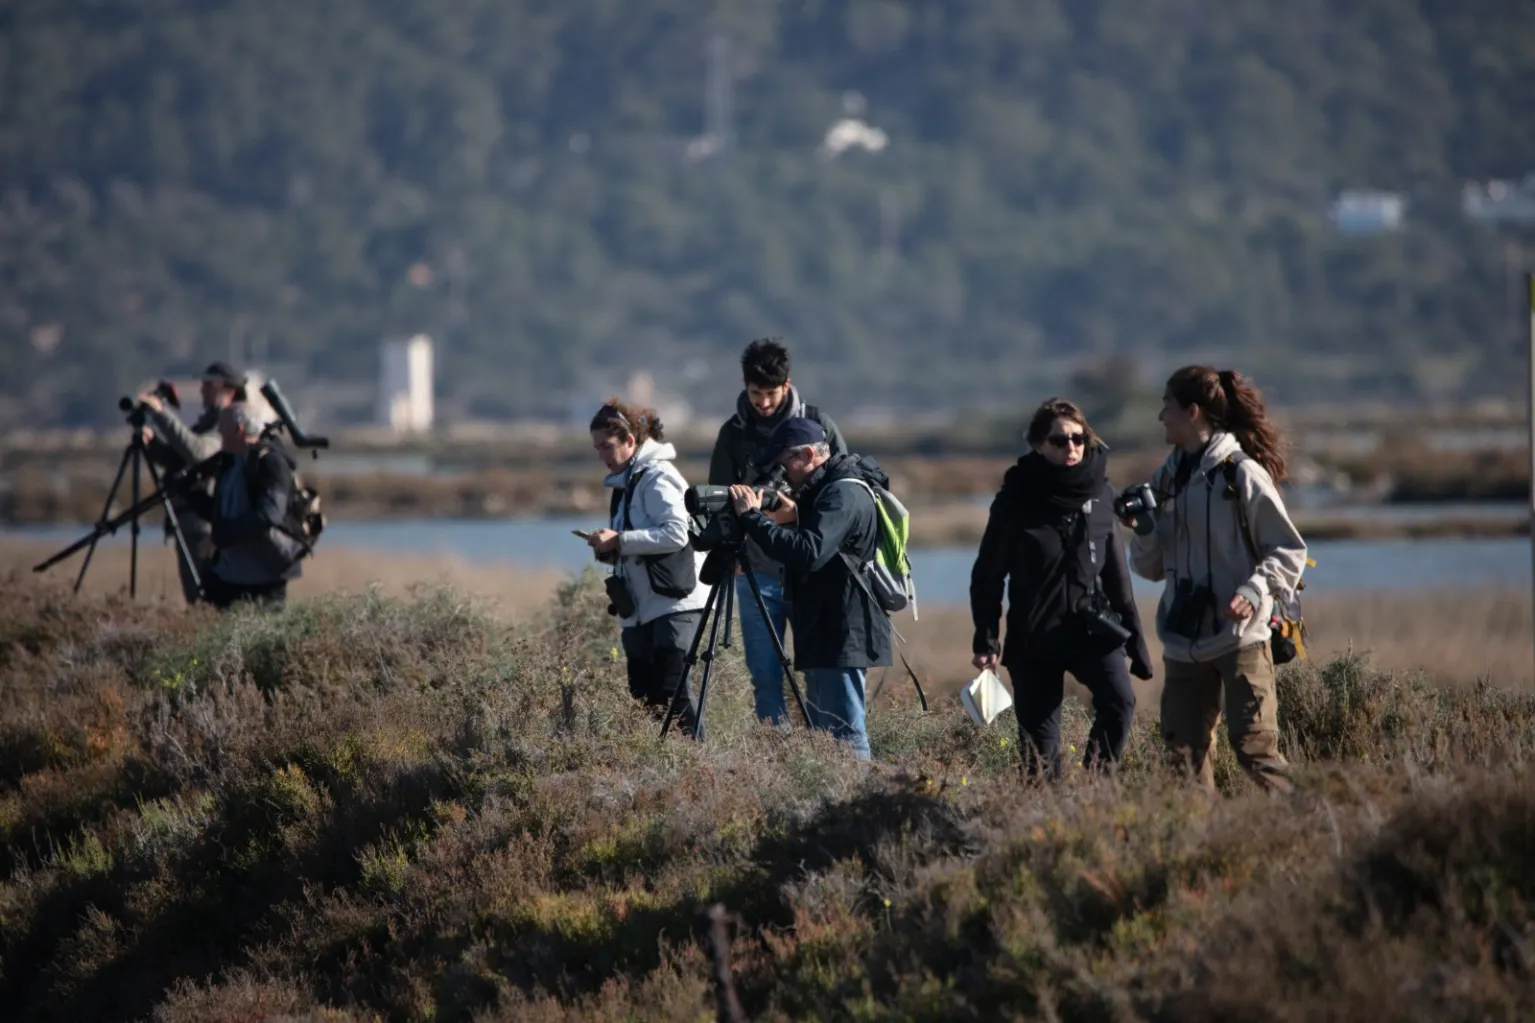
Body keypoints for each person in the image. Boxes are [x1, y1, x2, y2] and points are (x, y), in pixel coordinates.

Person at [1126, 366, 1308, 795]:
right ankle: (1197, 851)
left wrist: (1253, 589)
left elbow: (1288, 550)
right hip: (1183, 643)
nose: (1160, 417)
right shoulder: (1166, 479)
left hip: (1241, 639)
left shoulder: (1240, 474)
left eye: (1166, 407)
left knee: (1256, 752)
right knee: (1183, 765)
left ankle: (1319, 822)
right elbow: (1149, 568)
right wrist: (1144, 528)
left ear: (1192, 412)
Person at [970, 398, 1154, 779]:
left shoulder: (1102, 493)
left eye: (1078, 438)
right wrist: (986, 639)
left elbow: (1117, 578)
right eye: (1059, 440)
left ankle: (1094, 790)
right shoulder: (1015, 499)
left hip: (1092, 628)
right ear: (1038, 444)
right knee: (1039, 759)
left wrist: (1136, 643)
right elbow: (988, 575)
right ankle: (1044, 821)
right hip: (1034, 636)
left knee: (1120, 702)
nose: (1071, 447)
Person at [730, 417, 891, 760]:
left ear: (806, 454)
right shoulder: (826, 491)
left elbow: (809, 552)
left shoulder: (843, 492)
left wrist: (752, 518)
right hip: (826, 629)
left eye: (784, 462)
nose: (781, 472)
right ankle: (833, 809)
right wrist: (799, 513)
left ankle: (855, 808)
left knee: (846, 736)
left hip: (842, 632)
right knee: (825, 737)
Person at [708, 338, 848, 725]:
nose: (763, 403)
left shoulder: (819, 425)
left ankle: (824, 755)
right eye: (755, 394)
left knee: (820, 673)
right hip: (755, 573)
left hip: (810, 572)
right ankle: (775, 760)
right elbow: (719, 499)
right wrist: (732, 552)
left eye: (771, 394)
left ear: (787, 385)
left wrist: (796, 514)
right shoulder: (732, 434)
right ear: (744, 387)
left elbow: (845, 489)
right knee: (765, 677)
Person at [586, 399, 708, 735]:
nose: (602, 455)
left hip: (675, 603)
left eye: (607, 446)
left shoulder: (657, 476)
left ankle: (702, 770)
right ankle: (662, 773)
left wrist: (620, 540)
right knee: (644, 698)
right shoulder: (626, 483)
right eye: (597, 448)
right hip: (641, 608)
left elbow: (676, 533)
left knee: (673, 693)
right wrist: (608, 548)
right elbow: (638, 541)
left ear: (630, 440)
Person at [138, 361, 245, 603]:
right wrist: (152, 443)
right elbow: (179, 460)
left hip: (204, 524)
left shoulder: (229, 424)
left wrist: (160, 413)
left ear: (226, 389)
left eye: (208, 385)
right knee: (195, 596)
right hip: (189, 520)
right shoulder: (208, 423)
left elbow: (197, 451)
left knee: (204, 598)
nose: (202, 390)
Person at [187, 403, 303, 610]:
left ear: (239, 430)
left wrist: (226, 535)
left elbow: (270, 514)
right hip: (226, 578)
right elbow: (223, 513)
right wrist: (191, 495)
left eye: (223, 434)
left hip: (263, 584)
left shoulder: (270, 462)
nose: (221, 440)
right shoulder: (230, 464)